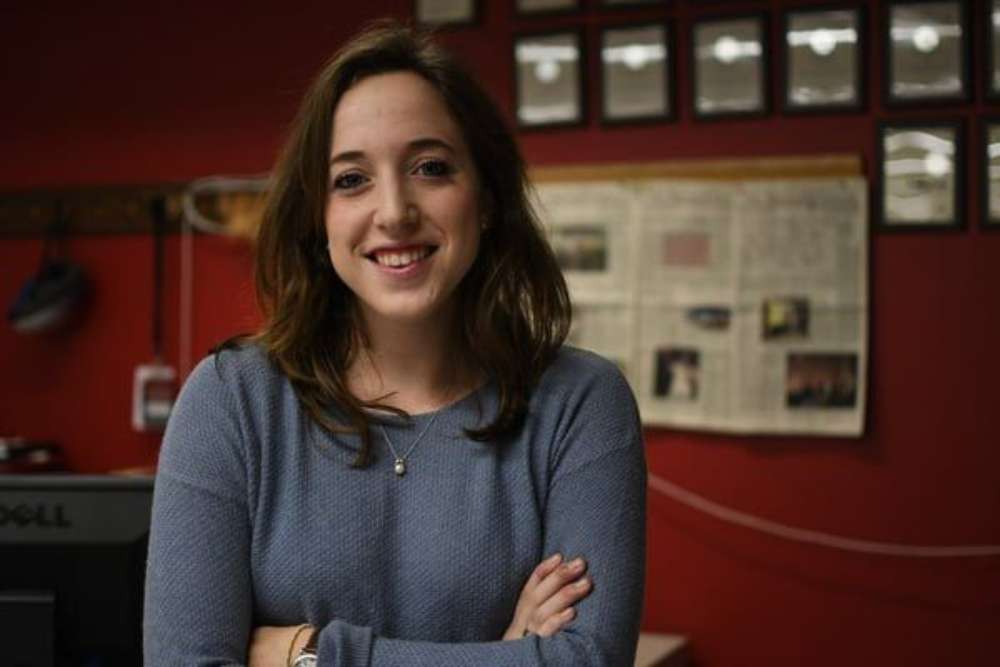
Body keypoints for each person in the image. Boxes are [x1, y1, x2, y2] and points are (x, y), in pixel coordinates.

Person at [144, 20, 646, 667]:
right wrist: (504, 657)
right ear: (318, 217)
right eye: (352, 179)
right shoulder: (231, 401)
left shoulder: (581, 404)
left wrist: (311, 654)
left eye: (430, 168)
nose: (394, 212)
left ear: (487, 197)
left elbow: (589, 661)